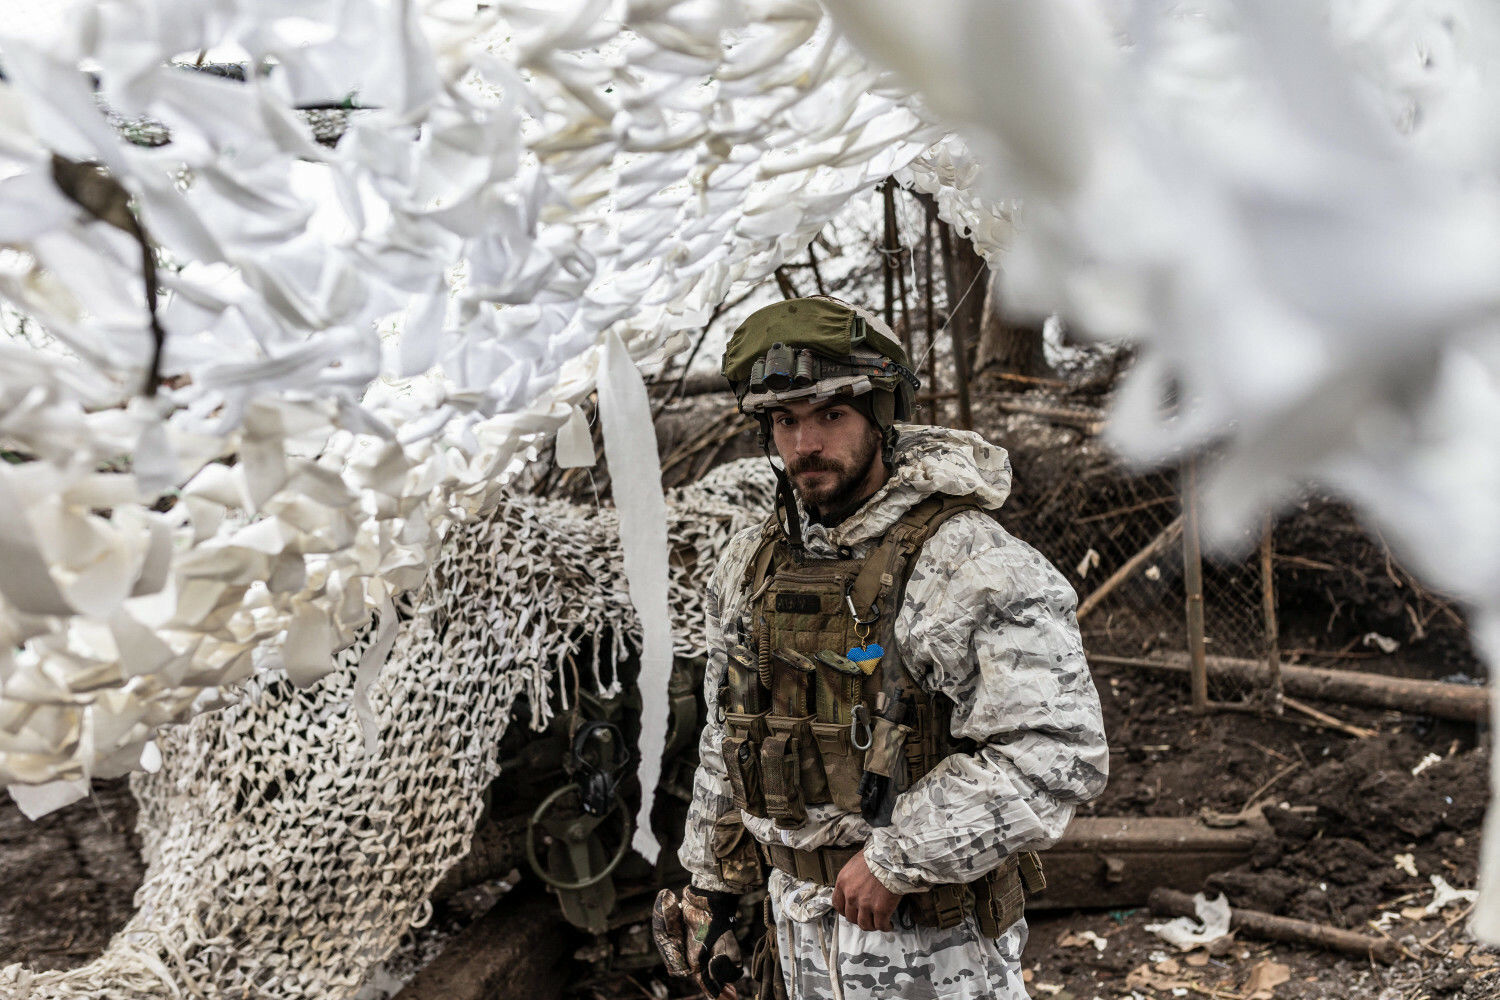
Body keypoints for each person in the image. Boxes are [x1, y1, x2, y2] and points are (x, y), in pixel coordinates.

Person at [653, 296, 1108, 1000]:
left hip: (933, 944)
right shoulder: (749, 563)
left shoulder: (967, 562)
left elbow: (1058, 751)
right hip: (797, 930)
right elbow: (729, 730)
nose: (804, 444)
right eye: (784, 420)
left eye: (830, 414)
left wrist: (896, 860)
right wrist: (713, 884)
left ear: (881, 415)